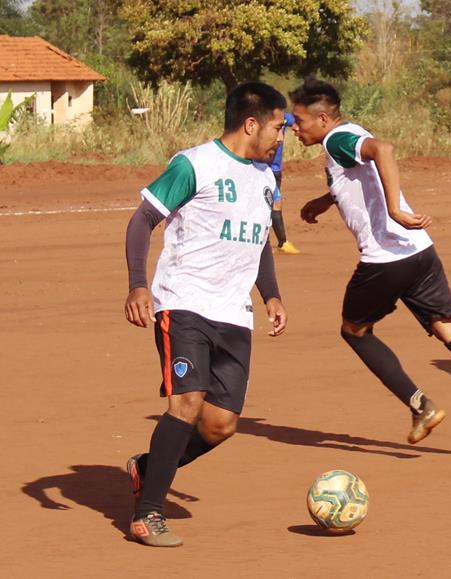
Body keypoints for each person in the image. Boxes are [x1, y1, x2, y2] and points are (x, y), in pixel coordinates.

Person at [290, 77, 451, 463]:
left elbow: (384, 151)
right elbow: (364, 173)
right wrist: (326, 200)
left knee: (354, 331)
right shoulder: (345, 139)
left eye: (299, 120)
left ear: (323, 119)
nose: (295, 128)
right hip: (420, 253)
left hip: (385, 259)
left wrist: (394, 210)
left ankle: (421, 405)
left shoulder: (335, 139)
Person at [123, 82, 289, 547]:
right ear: (251, 123)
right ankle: (147, 513)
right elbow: (142, 220)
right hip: (184, 303)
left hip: (234, 314)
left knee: (219, 425)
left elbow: (259, 243)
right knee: (187, 402)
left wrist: (271, 295)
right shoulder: (193, 164)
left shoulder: (264, 179)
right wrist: (138, 284)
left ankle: (149, 467)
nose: (281, 138)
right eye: (278, 127)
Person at [269, 111, 301, 254]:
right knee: (276, 202)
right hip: (264, 168)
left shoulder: (285, 116)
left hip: (277, 169)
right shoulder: (261, 117)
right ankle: (283, 242)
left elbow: (296, 123)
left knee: (270, 205)